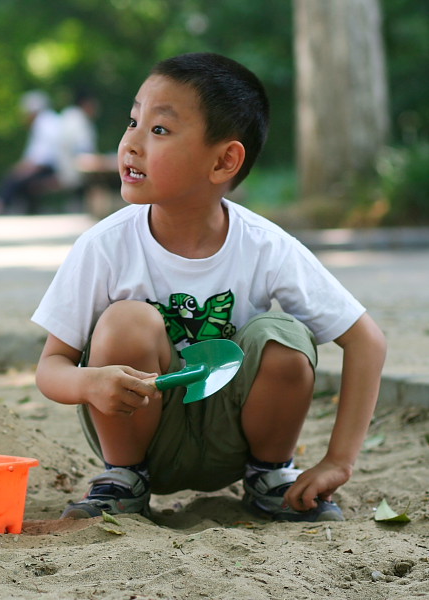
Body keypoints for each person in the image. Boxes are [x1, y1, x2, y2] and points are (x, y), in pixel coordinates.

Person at [31, 53, 386, 523]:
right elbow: (50, 368)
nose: (131, 143)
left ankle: (270, 478)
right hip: (144, 435)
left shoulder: (265, 246)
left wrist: (338, 461)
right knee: (126, 322)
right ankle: (124, 481)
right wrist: (90, 382)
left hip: (234, 440)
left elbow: (366, 341)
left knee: (283, 336)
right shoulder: (105, 246)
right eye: (133, 120)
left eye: (158, 130)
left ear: (224, 161)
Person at [0, 91, 61, 215]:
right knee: (17, 174)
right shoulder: (49, 120)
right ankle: (2, 203)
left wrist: (21, 169)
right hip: (50, 167)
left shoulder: (44, 123)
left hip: (51, 168)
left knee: (16, 177)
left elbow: (41, 159)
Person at [56, 89, 100, 195]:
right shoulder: (78, 120)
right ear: (87, 104)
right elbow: (84, 152)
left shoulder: (68, 115)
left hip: (61, 168)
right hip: (74, 173)